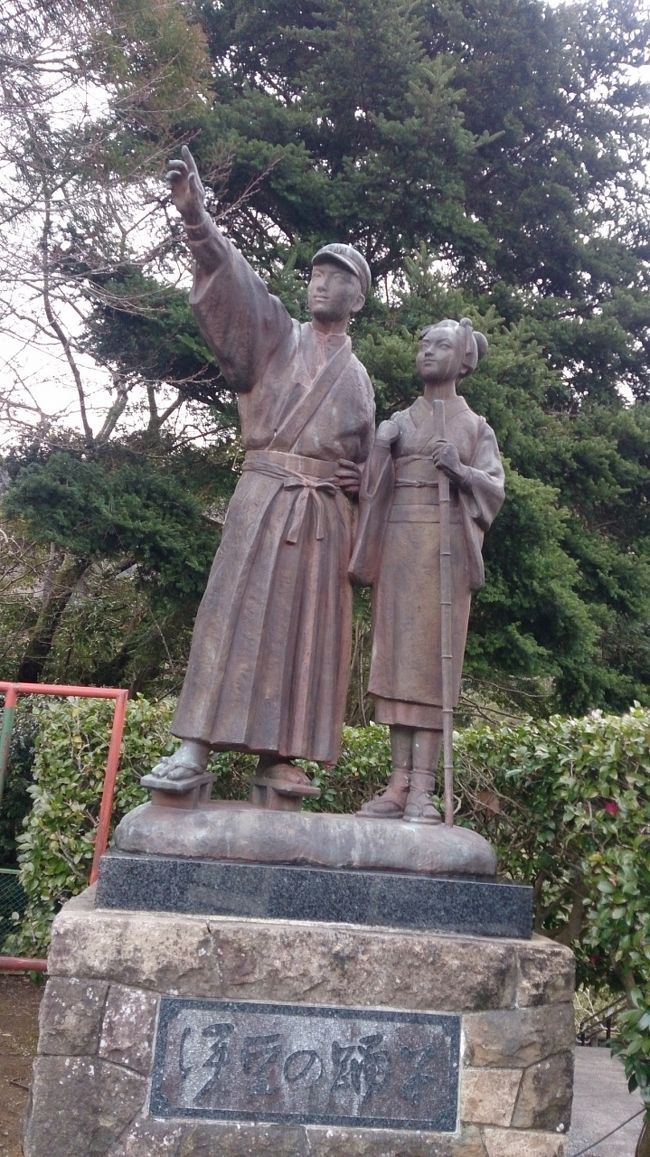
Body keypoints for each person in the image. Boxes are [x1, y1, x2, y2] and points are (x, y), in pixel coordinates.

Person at [152, 147, 375, 787]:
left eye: (337, 278)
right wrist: (198, 222)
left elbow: (368, 461)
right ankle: (194, 747)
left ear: (358, 298)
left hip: (324, 520)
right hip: (266, 494)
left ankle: (281, 756)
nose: (321, 283)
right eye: (316, 274)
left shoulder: (359, 379)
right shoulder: (278, 336)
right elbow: (238, 286)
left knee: (306, 633)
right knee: (229, 613)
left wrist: (363, 484)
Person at [350, 318, 504, 822]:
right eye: (423, 344)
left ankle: (424, 788)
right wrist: (381, 446)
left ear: (462, 360)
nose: (428, 352)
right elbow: (369, 490)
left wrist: (461, 470)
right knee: (396, 664)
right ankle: (397, 784)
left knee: (434, 665)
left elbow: (494, 489)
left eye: (441, 345)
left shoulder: (476, 427)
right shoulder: (399, 420)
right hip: (399, 545)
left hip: (445, 549)